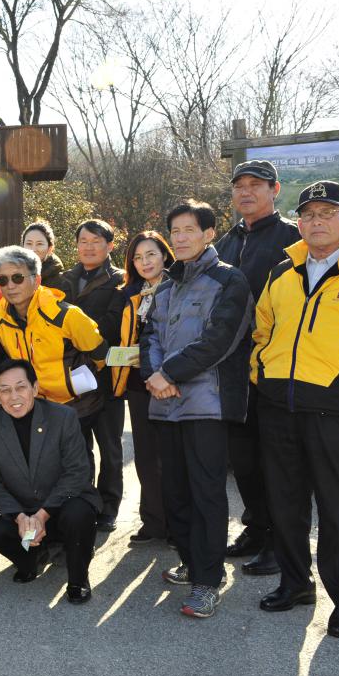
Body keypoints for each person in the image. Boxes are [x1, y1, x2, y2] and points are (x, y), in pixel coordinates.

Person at [251, 180, 339, 639]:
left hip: (337, 411)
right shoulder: (282, 272)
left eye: (328, 213)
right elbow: (261, 331)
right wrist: (263, 375)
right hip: (278, 406)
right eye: (309, 214)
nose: (317, 221)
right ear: (299, 222)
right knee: (286, 504)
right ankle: (295, 584)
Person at [140, 200, 252, 619]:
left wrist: (168, 373)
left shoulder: (229, 280)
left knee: (206, 493)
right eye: (176, 231)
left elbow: (221, 340)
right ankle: (191, 560)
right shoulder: (165, 285)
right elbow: (148, 333)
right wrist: (155, 375)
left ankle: (208, 580)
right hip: (164, 404)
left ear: (209, 233)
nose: (181, 237)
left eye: (190, 229)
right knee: (175, 491)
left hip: (206, 404)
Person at [216, 160, 301, 577]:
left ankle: (277, 544)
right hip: (230, 368)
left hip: (273, 369)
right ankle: (255, 527)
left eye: (256, 185)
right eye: (239, 186)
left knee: (274, 462)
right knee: (244, 458)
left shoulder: (292, 238)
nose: (246, 192)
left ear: (275, 190)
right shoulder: (228, 241)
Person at [0, 360, 100, 603]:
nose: (14, 396)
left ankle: (78, 579)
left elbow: (77, 472)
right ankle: (32, 560)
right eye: (5, 390)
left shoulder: (63, 417)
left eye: (20, 387)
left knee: (79, 514)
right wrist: (20, 517)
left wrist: (42, 515)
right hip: (24, 511)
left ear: (34, 388)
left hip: (63, 503)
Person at [60, 219, 126, 532]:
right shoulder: (62, 280)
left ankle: (109, 507)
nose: (88, 246)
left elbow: (113, 324)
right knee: (78, 446)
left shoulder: (119, 281)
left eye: (96, 241)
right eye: (83, 240)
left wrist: (80, 331)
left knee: (110, 446)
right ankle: (85, 502)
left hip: (107, 375)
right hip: (71, 375)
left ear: (110, 246)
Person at [0, 245, 107, 421]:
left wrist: (70, 383)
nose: (11, 285)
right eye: (3, 280)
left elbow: (100, 354)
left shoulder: (67, 315)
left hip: (78, 405)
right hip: (34, 406)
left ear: (37, 280)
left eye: (17, 278)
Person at [110, 231, 174, 545]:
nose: (145, 262)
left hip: (172, 382)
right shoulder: (130, 294)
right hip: (137, 384)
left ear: (165, 254)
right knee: (146, 457)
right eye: (137, 257)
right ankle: (153, 522)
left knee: (173, 457)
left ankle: (177, 523)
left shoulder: (179, 286)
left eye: (151, 254)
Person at [22, 220, 65, 288]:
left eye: (39, 244)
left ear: (50, 248)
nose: (33, 249)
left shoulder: (60, 280)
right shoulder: (12, 274)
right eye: (29, 243)